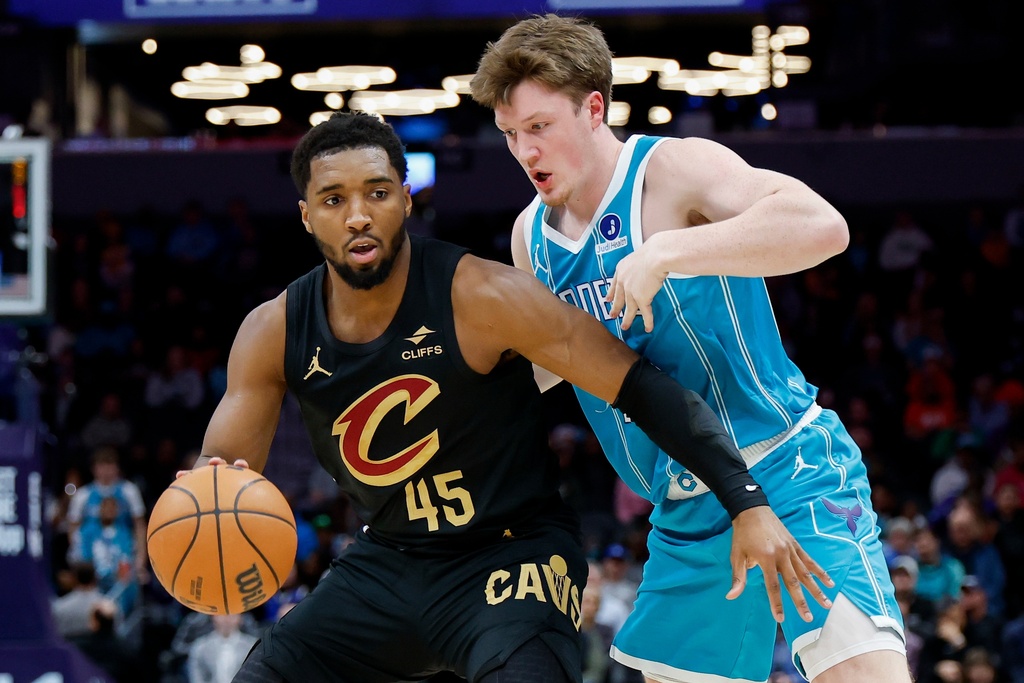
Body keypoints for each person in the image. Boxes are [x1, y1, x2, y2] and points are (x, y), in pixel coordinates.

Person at [172, 111, 829, 683]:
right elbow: (222, 476)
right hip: (389, 558)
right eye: (334, 198)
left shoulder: (480, 296)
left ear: (407, 197)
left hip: (514, 552)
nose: (359, 214)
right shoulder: (272, 331)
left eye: (377, 192)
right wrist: (202, 525)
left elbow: (640, 386)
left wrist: (744, 498)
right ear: (307, 214)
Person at [470, 13, 909, 683]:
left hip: (786, 469)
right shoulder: (531, 237)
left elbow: (823, 226)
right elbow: (543, 369)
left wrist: (673, 249)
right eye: (510, 135)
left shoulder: (673, 169)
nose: (525, 152)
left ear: (594, 109)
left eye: (539, 127)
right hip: (684, 515)